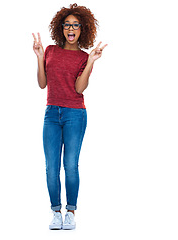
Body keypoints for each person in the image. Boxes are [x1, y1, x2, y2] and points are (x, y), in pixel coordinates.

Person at [32, 3, 107, 230]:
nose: (71, 29)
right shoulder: (50, 51)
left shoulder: (84, 57)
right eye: (67, 25)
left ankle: (71, 212)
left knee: (70, 165)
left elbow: (79, 89)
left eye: (76, 25)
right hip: (51, 113)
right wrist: (38, 56)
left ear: (82, 29)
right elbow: (42, 84)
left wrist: (91, 62)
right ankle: (56, 211)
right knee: (51, 166)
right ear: (61, 28)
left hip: (75, 113)